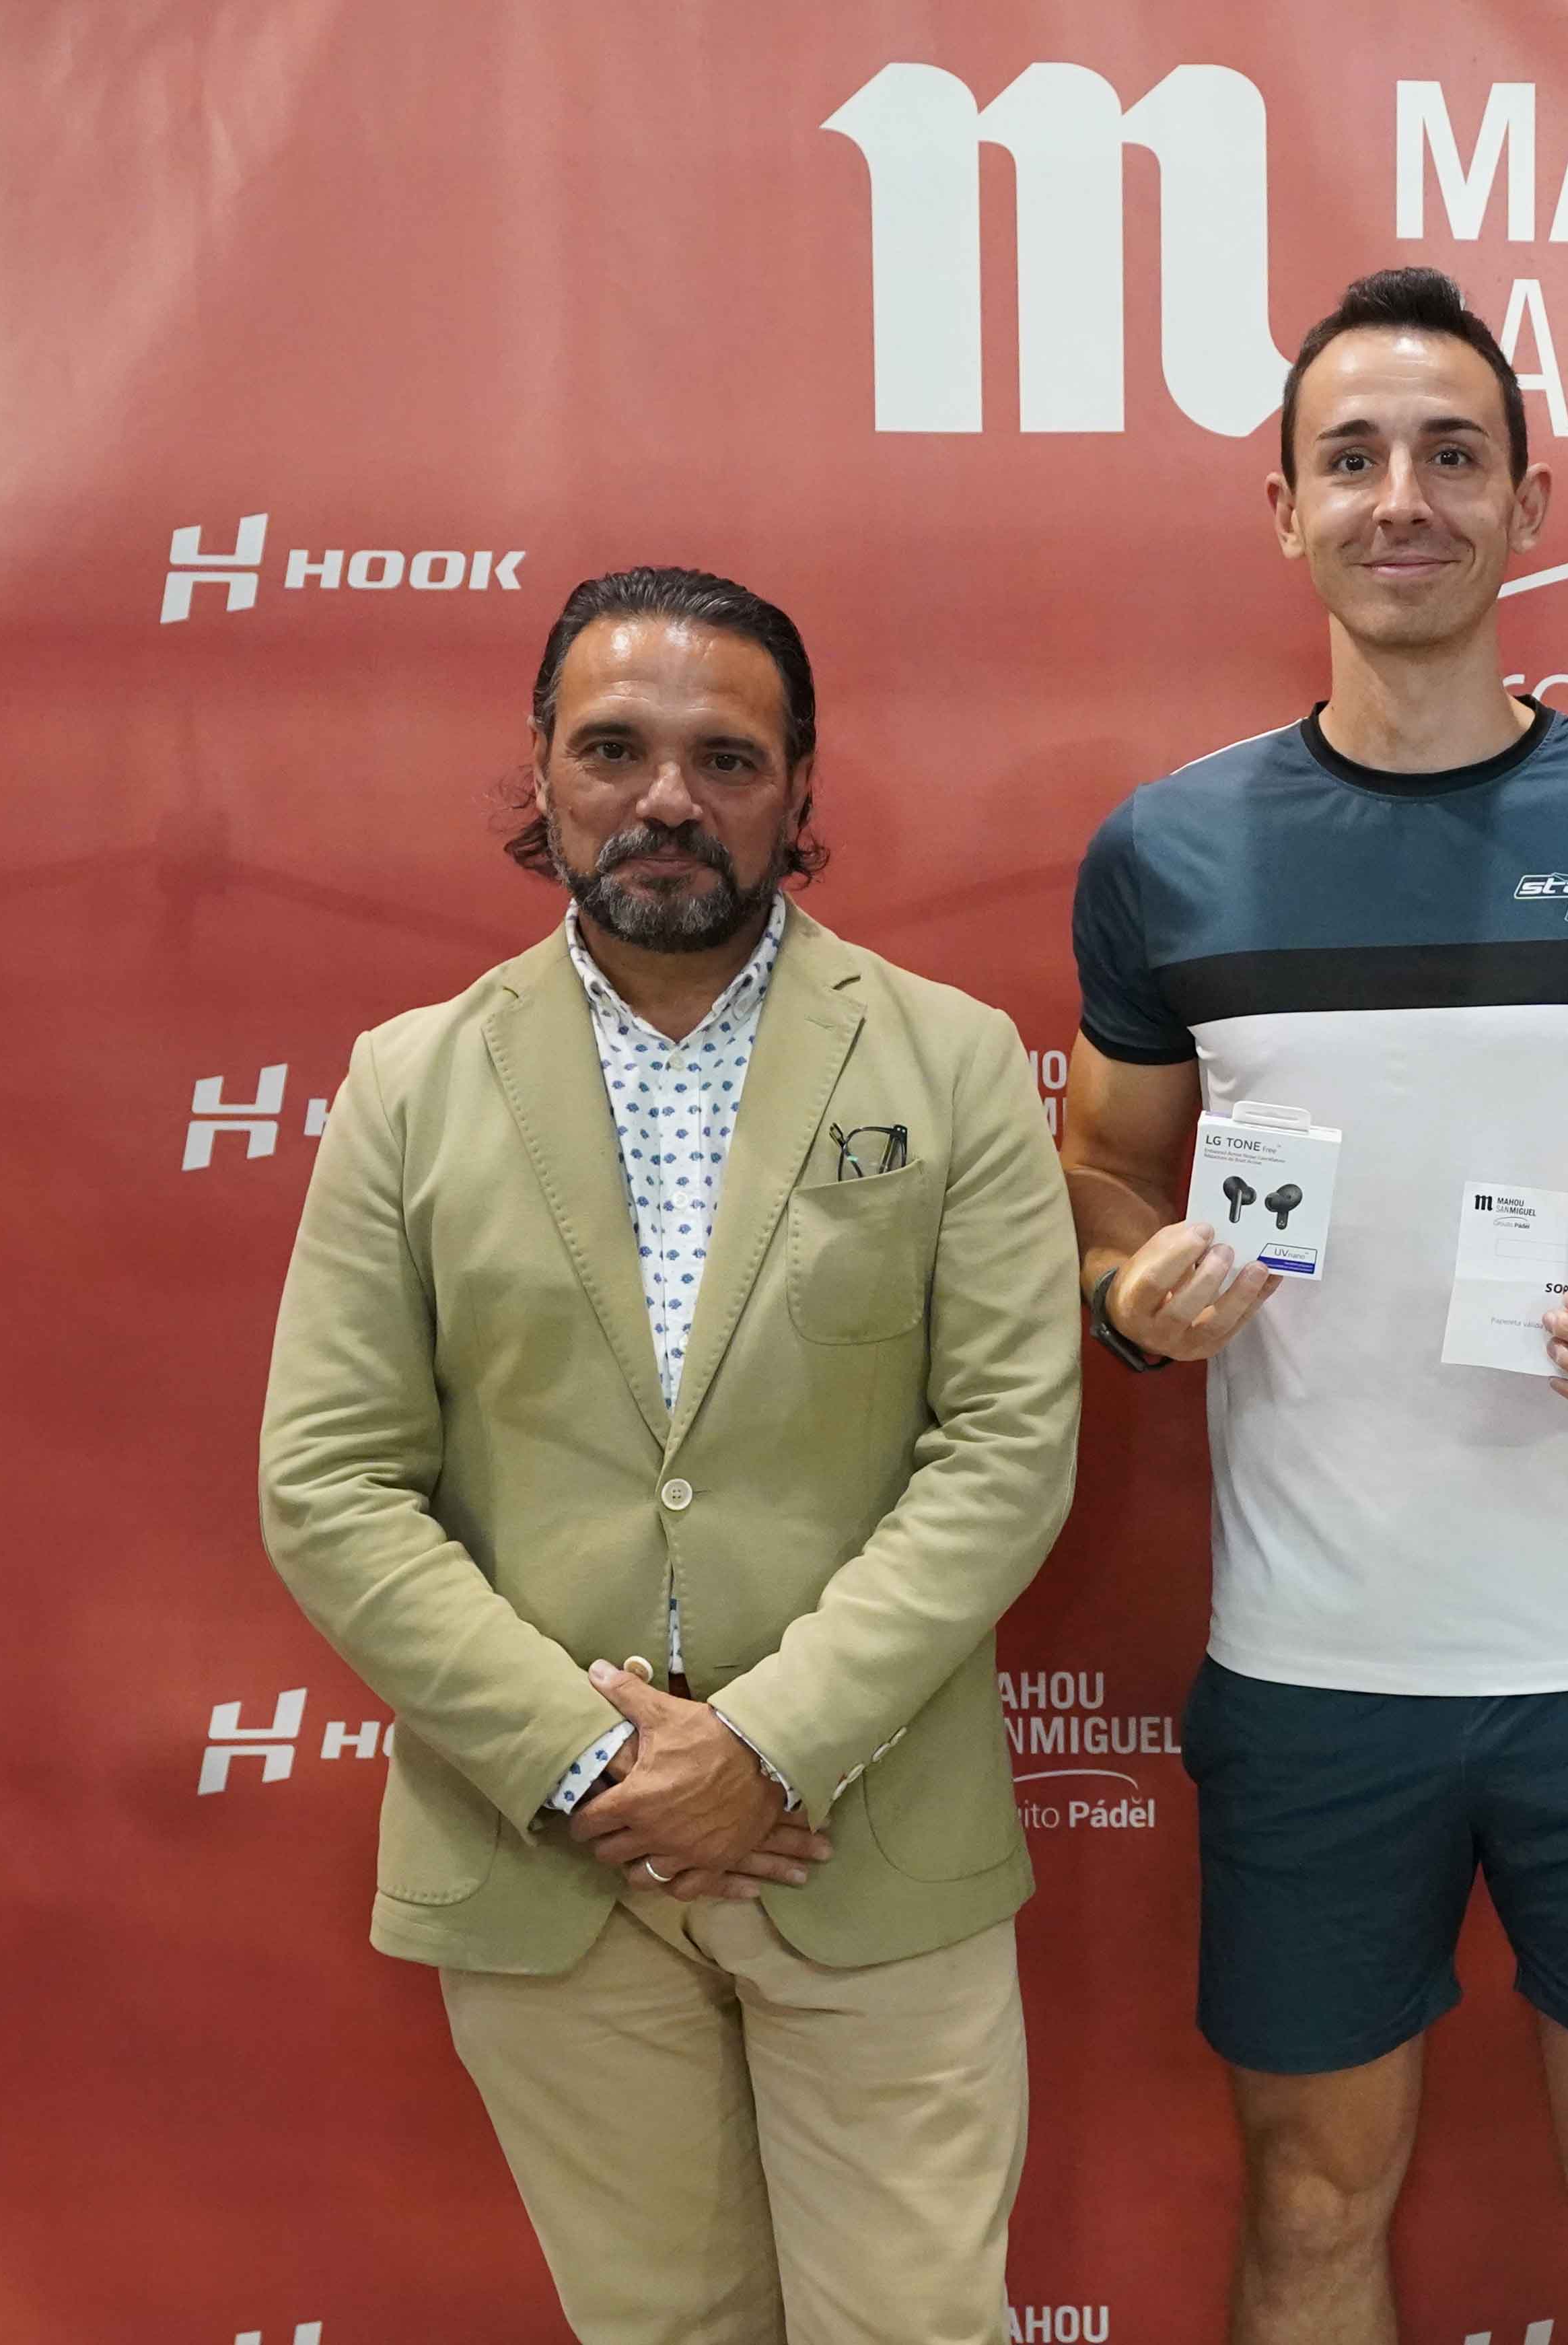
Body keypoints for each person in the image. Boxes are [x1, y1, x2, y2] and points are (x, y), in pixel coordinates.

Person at [1057, 267, 1568, 2345]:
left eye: (1451, 456)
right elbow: (1101, 1170)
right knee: (1310, 2210)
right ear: (1284, 508)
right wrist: (1128, 1287)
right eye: (1351, 458)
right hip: (1312, 1667)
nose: (1401, 498)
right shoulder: (1168, 852)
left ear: (1530, 503)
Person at [257, 566, 1079, 2345]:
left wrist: (767, 1746)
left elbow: (1008, 1447)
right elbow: (328, 1479)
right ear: (542, 769)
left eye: (726, 758)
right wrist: (587, 1763)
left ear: (799, 788)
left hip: (868, 1847)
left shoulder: (947, 1064)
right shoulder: (408, 1084)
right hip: (550, 1860)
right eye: (614, 748)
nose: (666, 798)